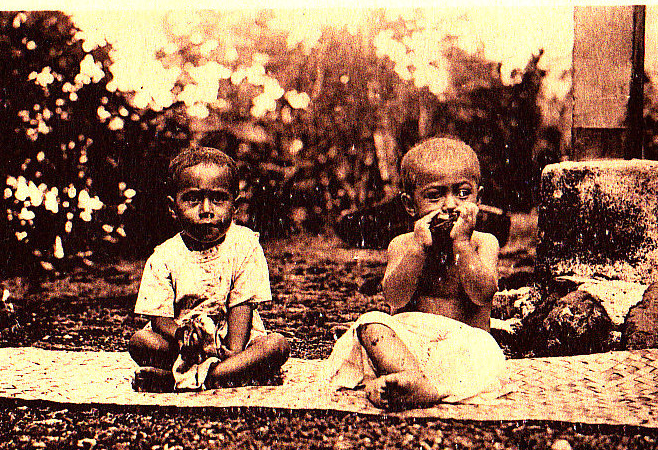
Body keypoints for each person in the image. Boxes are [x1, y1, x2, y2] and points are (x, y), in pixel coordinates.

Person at [324, 137, 505, 409]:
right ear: (410, 205)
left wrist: (462, 245)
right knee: (370, 323)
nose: (451, 205)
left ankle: (421, 387)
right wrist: (419, 248)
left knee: (486, 354)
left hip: (464, 346)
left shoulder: (483, 242)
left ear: (478, 196)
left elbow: (483, 294)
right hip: (409, 349)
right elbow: (395, 298)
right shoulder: (403, 244)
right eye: (435, 195)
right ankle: (411, 377)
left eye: (463, 193)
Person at [129, 147, 289, 392]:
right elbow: (159, 317)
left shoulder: (245, 245)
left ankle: (195, 377)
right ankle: (218, 376)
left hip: (234, 342)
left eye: (218, 199)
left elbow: (242, 304)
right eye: (193, 199)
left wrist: (232, 350)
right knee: (140, 342)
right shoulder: (164, 255)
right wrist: (181, 335)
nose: (206, 210)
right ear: (173, 207)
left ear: (234, 206)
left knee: (276, 346)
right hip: (184, 344)